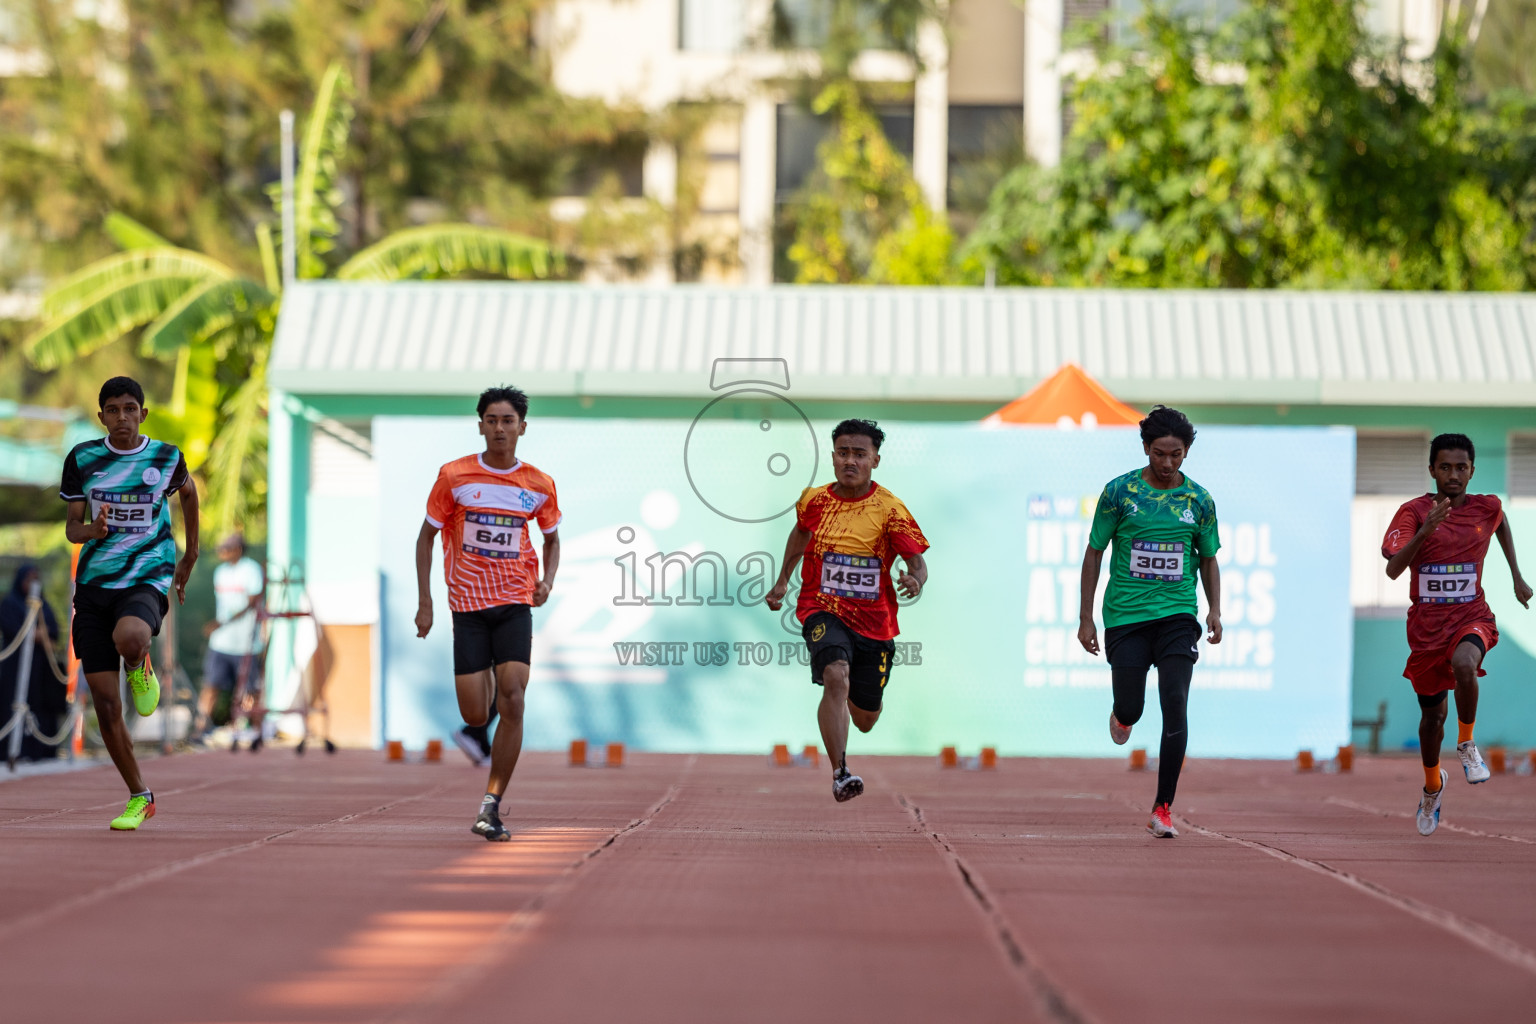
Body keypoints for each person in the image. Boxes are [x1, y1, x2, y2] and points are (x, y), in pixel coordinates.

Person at [414, 386, 561, 841]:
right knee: (476, 716)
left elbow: (552, 538)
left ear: (522, 427)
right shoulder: (455, 476)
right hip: (469, 608)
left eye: (508, 421)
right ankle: (493, 678)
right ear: (480, 425)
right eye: (491, 420)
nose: (500, 428)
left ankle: (490, 805)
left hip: (515, 601)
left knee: (514, 699)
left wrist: (547, 581)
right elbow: (426, 538)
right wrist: (426, 602)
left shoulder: (538, 483)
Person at [765, 419, 929, 803]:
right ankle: (840, 772)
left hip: (875, 624)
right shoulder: (814, 501)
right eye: (843, 453)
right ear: (833, 456)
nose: (850, 461)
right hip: (821, 609)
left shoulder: (890, 509)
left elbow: (917, 562)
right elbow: (801, 533)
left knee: (866, 719)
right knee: (835, 675)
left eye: (859, 454)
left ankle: (855, 690)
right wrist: (783, 579)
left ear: (875, 460)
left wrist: (916, 580)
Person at [1077, 405, 1222, 839]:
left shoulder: (1199, 500)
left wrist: (1214, 609)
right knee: (1133, 707)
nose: (1167, 463)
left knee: (1175, 700)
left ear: (1187, 452)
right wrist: (1085, 617)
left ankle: (1162, 807)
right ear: (1145, 448)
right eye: (1159, 454)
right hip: (1126, 616)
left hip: (1178, 614)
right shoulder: (1119, 493)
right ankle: (1121, 715)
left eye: (1176, 455)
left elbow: (1209, 558)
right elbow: (1094, 552)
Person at [60, 376, 198, 830]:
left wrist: (190, 553)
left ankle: (139, 663)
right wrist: (92, 533)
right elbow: (72, 529)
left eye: (130, 408)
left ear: (143, 413)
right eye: (113, 410)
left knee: (132, 637)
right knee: (104, 704)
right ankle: (141, 796)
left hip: (146, 574)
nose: (122, 417)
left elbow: (190, 493)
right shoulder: (83, 459)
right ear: (101, 417)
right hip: (96, 584)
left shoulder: (165, 457)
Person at [1382, 433, 1531, 837]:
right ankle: (1432, 786)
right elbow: (1394, 570)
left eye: (1461, 467)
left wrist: (1517, 575)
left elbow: (1501, 524)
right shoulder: (1412, 513)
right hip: (1427, 632)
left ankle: (1467, 745)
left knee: (1466, 663)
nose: (1453, 474)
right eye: (1444, 467)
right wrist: (1426, 530)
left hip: (1472, 616)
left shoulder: (1487, 506)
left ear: (1472, 470)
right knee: (1432, 720)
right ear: (1432, 470)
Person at [195, 533, 266, 748]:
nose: (221, 550)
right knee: (211, 685)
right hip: (221, 643)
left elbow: (253, 602)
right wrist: (221, 626)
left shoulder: (251, 570)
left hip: (246, 643)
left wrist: (222, 622)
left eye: (226, 547)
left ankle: (258, 730)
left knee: (252, 688)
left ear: (238, 549)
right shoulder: (220, 572)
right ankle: (200, 729)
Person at [0, 564, 68, 762]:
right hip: (14, 666)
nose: (32, 584)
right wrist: (35, 634)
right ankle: (12, 750)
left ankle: (41, 751)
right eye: (28, 579)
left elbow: (52, 633)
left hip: (42, 670)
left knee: (42, 706)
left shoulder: (44, 605)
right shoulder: (10, 603)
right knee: (12, 704)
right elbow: (13, 629)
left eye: (35, 579)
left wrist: (41, 635)